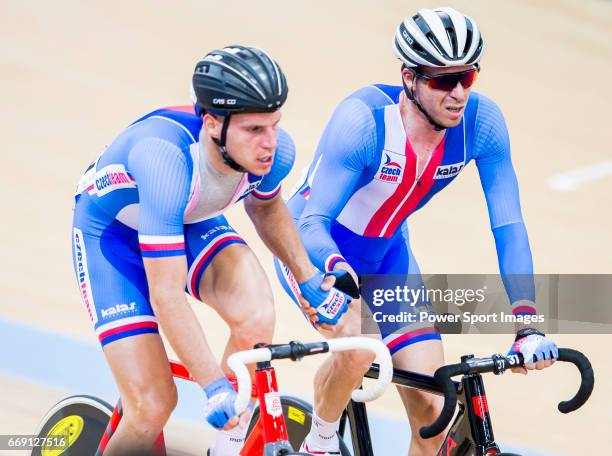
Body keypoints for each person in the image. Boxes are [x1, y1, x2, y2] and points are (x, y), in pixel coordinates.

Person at [275, 8, 559, 455]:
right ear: (409, 77)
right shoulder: (363, 121)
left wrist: (528, 323)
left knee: (434, 411)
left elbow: (509, 225)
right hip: (315, 250)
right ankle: (320, 441)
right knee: (359, 345)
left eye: (468, 76)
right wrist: (337, 276)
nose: (458, 93)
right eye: (443, 81)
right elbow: (311, 222)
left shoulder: (482, 124)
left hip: (389, 259)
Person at [72, 45, 352, 456]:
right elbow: (165, 295)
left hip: (185, 221)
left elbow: (266, 205)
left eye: (274, 125)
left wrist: (309, 277)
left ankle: (225, 449)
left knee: (257, 317)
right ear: (212, 123)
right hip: (111, 238)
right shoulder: (164, 160)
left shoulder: (275, 153)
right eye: (254, 130)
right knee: (152, 406)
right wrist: (213, 386)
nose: (269, 143)